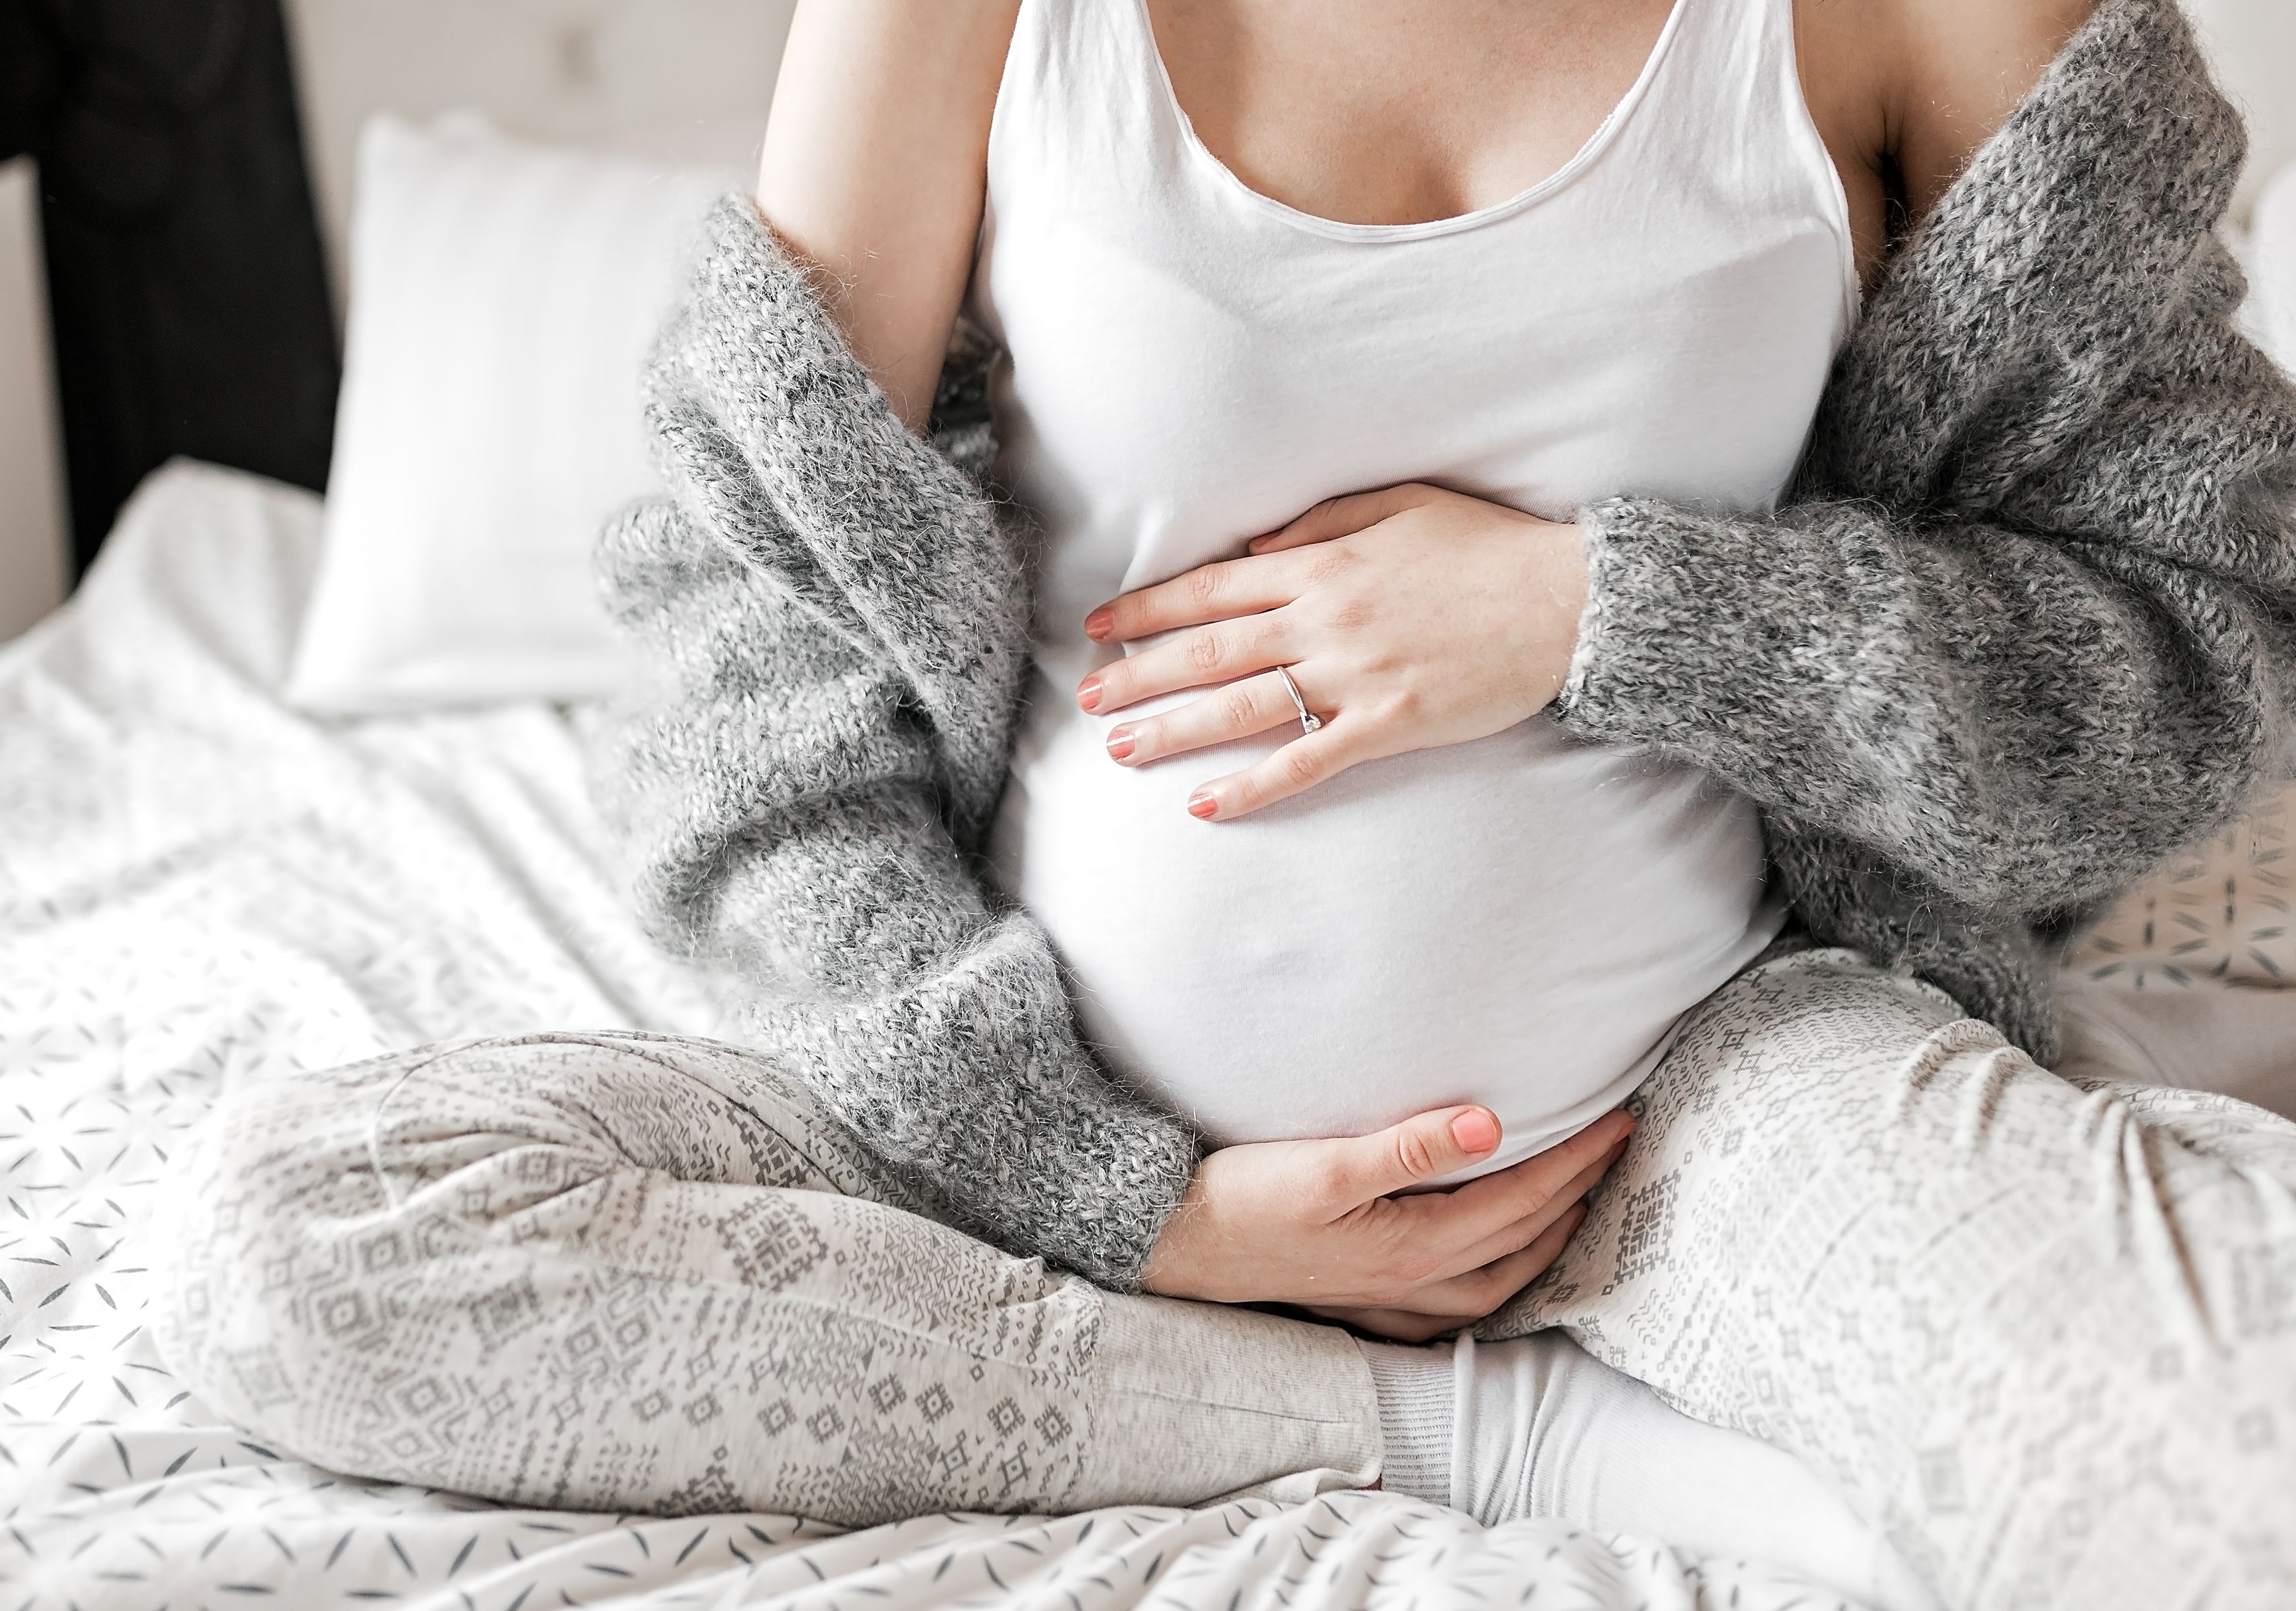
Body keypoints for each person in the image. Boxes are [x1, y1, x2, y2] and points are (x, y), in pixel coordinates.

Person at [154, 2, 2296, 1606]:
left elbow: (2208, 630)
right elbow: (747, 646)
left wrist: (1599, 612)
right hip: (1015, 1134)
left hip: (1691, 1106)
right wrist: (1130, 1203)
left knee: (2230, 1445)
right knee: (298, 1245)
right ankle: (1426, 1427)